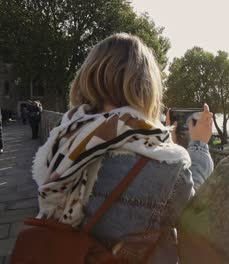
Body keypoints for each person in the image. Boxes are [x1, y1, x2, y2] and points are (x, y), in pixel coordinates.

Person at [31, 33, 214, 263]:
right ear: (147, 88)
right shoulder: (169, 167)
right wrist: (199, 145)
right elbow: (189, 208)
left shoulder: (64, 139)